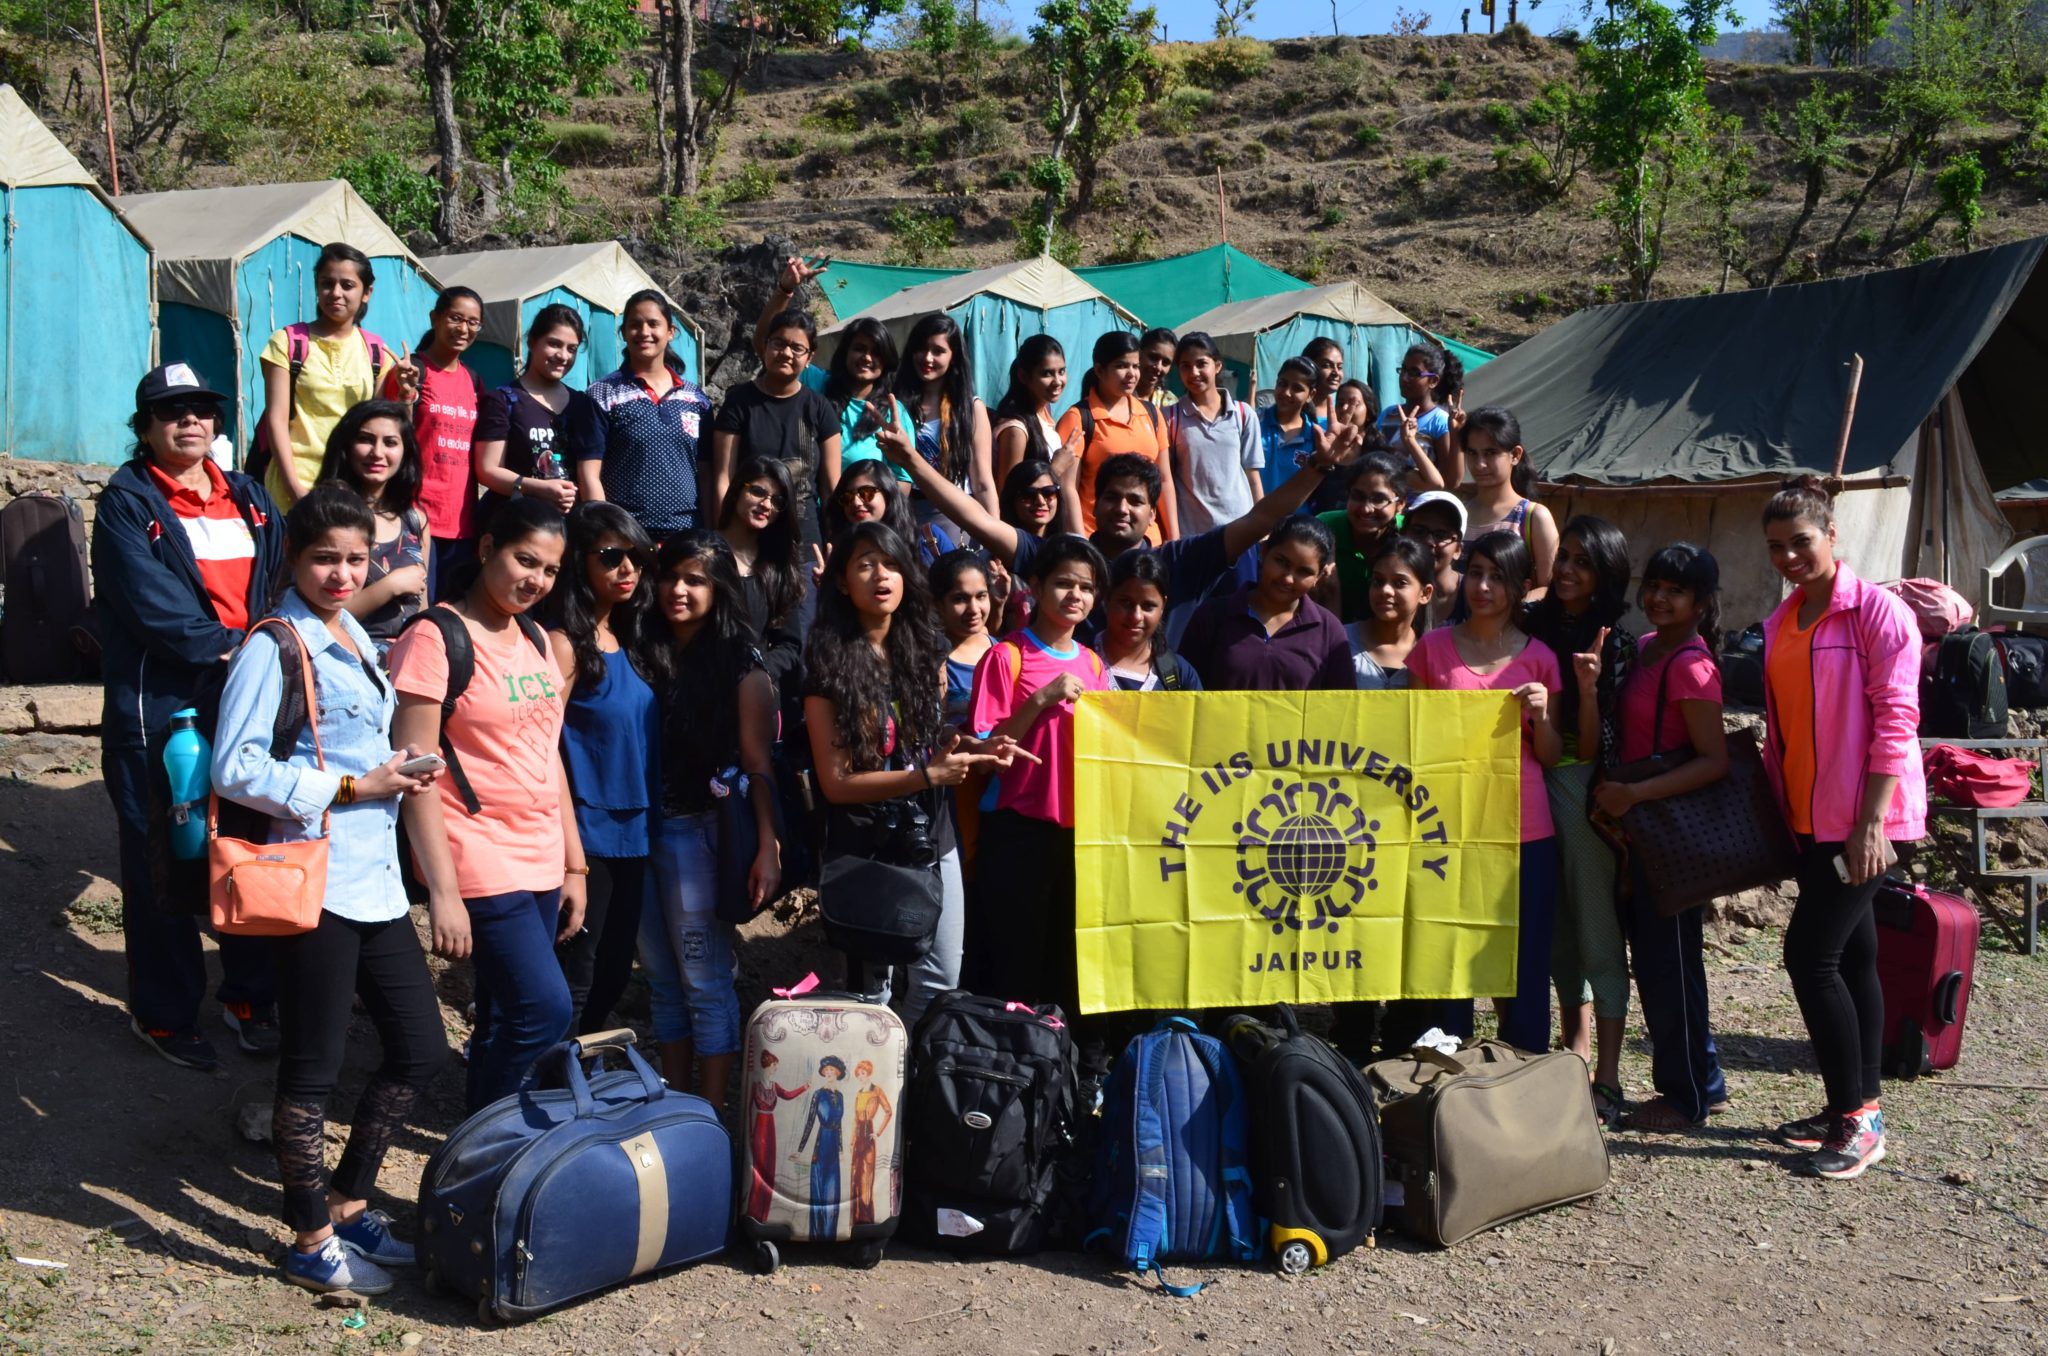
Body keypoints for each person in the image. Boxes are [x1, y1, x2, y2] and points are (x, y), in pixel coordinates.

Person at [209, 484, 443, 1296]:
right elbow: (234, 767)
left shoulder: (351, 634)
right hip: (315, 875)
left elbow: (358, 744)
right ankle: (310, 1239)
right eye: (324, 559)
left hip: (374, 875)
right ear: (294, 560)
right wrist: (350, 787)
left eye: (355, 559)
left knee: (420, 1045)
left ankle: (347, 1202)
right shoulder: (275, 642)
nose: (342, 574)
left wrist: (398, 775)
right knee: (312, 1070)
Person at [95, 362, 286, 1070]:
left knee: (245, 841)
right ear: (144, 427)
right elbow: (150, 606)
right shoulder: (127, 502)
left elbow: (278, 580)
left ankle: (248, 993)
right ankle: (167, 1013)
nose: (191, 421)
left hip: (245, 693)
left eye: (202, 409)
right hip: (165, 705)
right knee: (164, 858)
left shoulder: (247, 499)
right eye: (172, 411)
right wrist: (239, 652)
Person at [388, 497, 586, 1112]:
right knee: (543, 1008)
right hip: (475, 853)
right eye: (525, 560)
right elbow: (414, 771)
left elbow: (547, 754)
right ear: (485, 548)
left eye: (550, 570)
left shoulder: (535, 639)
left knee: (504, 1015)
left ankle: (487, 1147)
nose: (536, 580)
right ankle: (487, 1144)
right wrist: (442, 892)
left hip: (540, 853)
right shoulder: (435, 636)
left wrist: (573, 864)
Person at [1756, 476, 1924, 1179]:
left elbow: (1897, 721)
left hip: (1870, 821)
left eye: (1802, 542)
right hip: (1811, 819)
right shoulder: (1782, 621)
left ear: (1832, 536)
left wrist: (1870, 824)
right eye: (1776, 547)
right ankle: (1858, 1105)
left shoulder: (1877, 614)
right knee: (1852, 957)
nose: (1790, 557)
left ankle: (1855, 1120)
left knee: (1810, 956)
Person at [886, 427, 1364, 652]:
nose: (1122, 508)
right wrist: (913, 462)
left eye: (1136, 501)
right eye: (1112, 497)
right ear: (1096, 499)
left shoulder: (1181, 562)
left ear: (1153, 509)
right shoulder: (1064, 559)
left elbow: (1260, 519)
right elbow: (974, 516)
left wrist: (1319, 469)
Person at [806, 522, 1012, 1025]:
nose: (882, 575)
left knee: (943, 979)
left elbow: (928, 740)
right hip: (869, 844)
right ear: (841, 581)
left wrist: (975, 746)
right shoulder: (827, 667)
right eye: (866, 563)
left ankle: (913, 1093)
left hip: (931, 831)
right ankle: (877, 1099)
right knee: (874, 993)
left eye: (893, 563)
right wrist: (927, 777)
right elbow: (836, 784)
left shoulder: (925, 652)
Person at [1590, 542, 1733, 1133]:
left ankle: (1685, 1097)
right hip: (1640, 832)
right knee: (1661, 961)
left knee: (1669, 966)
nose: (1658, 597)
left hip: (1669, 833)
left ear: (1700, 603)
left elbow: (1715, 761)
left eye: (1675, 590)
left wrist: (1636, 795)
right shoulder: (1647, 648)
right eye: (1654, 585)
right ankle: (1707, 1081)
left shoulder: (1693, 667)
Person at [637, 531, 781, 1104]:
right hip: (637, 832)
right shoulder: (641, 643)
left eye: (695, 579)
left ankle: (713, 1120)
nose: (678, 589)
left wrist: (768, 844)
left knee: (705, 983)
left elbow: (758, 762)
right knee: (663, 985)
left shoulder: (739, 665)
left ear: (718, 588)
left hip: (696, 833)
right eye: (671, 576)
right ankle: (678, 1111)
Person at [1405, 532, 1563, 1054]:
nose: (1483, 586)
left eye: (1497, 576)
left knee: (1525, 959)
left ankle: (1525, 1073)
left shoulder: (1541, 659)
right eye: (1475, 572)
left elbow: (1551, 755)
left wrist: (1541, 717)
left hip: (1525, 829)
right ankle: (1446, 1083)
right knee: (1451, 952)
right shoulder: (1431, 650)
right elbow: (1413, 738)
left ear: (1521, 587)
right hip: (1449, 827)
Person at [968, 535, 1115, 1080]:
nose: (1075, 595)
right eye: (1063, 583)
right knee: (1014, 964)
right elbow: (985, 750)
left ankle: (1065, 1084)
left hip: (1079, 839)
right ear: (1034, 588)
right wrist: (1041, 698)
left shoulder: (1095, 663)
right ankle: (1009, 1078)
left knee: (1067, 966)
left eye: (1085, 587)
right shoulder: (1005, 656)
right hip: (1018, 833)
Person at [1521, 516, 1636, 1124]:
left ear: (1606, 573)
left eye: (1583, 563)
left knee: (1594, 927)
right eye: (1563, 557)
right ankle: (1576, 1049)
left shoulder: (1614, 639)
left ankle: (1610, 1078)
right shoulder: (1533, 622)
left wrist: (1588, 689)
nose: (1566, 570)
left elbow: (1594, 746)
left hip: (1581, 789)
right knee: (1559, 928)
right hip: (1528, 782)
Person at [548, 503, 661, 1036]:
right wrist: (571, 857)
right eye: (612, 556)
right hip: (586, 830)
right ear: (579, 563)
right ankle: (538, 1092)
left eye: (636, 557)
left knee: (614, 974)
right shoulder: (564, 644)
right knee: (578, 972)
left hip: (634, 830)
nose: (627, 569)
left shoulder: (633, 641)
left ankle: (571, 1080)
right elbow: (541, 744)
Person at [257, 242, 420, 509]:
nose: (335, 293)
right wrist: (295, 489)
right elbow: (276, 420)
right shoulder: (287, 342)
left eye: (347, 285)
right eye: (326, 283)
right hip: (293, 489)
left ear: (366, 292)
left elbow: (381, 427)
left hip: (351, 492)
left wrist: (405, 394)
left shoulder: (376, 351)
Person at [582, 291, 715, 542]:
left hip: (687, 535)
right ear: (623, 333)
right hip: (626, 536)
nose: (644, 332)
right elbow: (589, 473)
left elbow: (706, 474)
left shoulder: (697, 399)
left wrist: (708, 535)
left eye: (653, 324)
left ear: (671, 332)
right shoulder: (602, 394)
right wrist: (606, 535)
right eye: (635, 325)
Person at [708, 308, 841, 549]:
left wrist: (836, 543)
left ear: (810, 357)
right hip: (747, 538)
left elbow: (831, 487)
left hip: (805, 540)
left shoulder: (820, 408)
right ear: (766, 345)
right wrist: (723, 539)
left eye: (797, 348)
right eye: (778, 343)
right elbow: (723, 478)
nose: (786, 353)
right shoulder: (739, 401)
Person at [1179, 516, 1353, 691]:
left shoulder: (1330, 631)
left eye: (1304, 572)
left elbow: (1340, 707)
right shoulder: (1213, 616)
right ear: (1263, 552)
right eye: (1281, 562)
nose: (1287, 578)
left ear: (1319, 577)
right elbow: (1184, 693)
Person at [315, 400, 429, 658]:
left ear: (405, 451)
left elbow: (421, 607)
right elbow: (317, 615)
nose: (377, 452)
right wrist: (390, 586)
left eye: (390, 442)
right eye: (366, 440)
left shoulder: (414, 521)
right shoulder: (327, 513)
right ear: (347, 446)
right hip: (344, 658)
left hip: (408, 661)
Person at [473, 305, 593, 522]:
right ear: (531, 342)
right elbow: (487, 470)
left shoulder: (583, 405)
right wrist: (537, 488)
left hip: (571, 531)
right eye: (554, 344)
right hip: (517, 526)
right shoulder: (503, 400)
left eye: (572, 348)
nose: (563, 356)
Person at [1060, 332, 1177, 542]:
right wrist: (1081, 544)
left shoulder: (1152, 415)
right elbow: (1069, 488)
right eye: (1121, 366)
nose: (1131, 374)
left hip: (1149, 543)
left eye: (1135, 366)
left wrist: (1174, 539)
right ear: (1099, 370)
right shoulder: (1078, 418)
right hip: (1097, 541)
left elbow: (1165, 480)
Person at [718, 455, 813, 712]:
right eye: (758, 492)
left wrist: (757, 673)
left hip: (756, 699)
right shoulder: (703, 553)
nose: (766, 504)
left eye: (777, 501)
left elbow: (789, 645)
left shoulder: (779, 565)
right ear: (737, 490)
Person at [409, 286, 485, 599]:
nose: (463, 329)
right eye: (455, 318)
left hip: (462, 525)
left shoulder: (474, 380)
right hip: (417, 518)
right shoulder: (413, 372)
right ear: (435, 318)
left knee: (452, 615)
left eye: (473, 323)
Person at [893, 312, 997, 521]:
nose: (927, 358)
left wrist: (997, 541)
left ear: (954, 356)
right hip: (904, 515)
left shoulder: (971, 407)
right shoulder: (896, 404)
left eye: (938, 351)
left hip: (957, 516)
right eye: (921, 349)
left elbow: (982, 482)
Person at [796, 315, 913, 485]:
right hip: (809, 508)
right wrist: (785, 291)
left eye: (876, 353)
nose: (867, 357)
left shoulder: (894, 412)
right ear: (845, 352)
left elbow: (902, 479)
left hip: (862, 509)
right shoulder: (818, 384)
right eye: (859, 348)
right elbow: (767, 347)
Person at [1167, 331, 1262, 537]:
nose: (1194, 372)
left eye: (1201, 364)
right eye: (1185, 366)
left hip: (1240, 531)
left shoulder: (1244, 415)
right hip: (1193, 535)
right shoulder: (1170, 418)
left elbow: (1252, 476)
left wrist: (1262, 529)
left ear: (1217, 365)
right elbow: (1166, 480)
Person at [1463, 405, 1559, 595]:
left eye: (1490, 453)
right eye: (1472, 453)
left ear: (1515, 455)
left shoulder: (1534, 517)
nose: (1480, 464)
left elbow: (1549, 588)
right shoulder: (1458, 514)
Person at [1317, 451, 1411, 624]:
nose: (1366, 509)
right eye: (1358, 496)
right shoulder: (1326, 527)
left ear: (1401, 503)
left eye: (1379, 499)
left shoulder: (1409, 533)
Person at [1100, 551, 1202, 691]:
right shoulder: (1076, 660)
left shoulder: (1180, 674)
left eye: (1148, 606)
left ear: (1163, 606)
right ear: (1107, 599)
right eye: (1126, 603)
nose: (1136, 616)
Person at [1346, 536, 1435, 690]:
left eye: (1400, 583)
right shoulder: (1340, 642)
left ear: (1425, 594)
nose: (1385, 590)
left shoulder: (1432, 653)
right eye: (1378, 581)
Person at [992, 335, 1078, 483]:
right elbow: (1007, 494)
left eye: (1062, 371)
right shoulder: (1016, 429)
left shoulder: (1043, 412)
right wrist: (1056, 468)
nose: (1057, 381)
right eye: (1047, 373)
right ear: (1024, 376)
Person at [1376, 339, 1462, 487]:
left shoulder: (1440, 421)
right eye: (1403, 369)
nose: (1404, 378)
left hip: (1421, 505)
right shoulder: (1389, 414)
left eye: (1414, 373)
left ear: (1433, 381)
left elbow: (1450, 481)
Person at [1257, 356, 1322, 500]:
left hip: (1296, 521)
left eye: (1297, 388)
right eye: (1282, 384)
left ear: (1311, 395)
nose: (1286, 392)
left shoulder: (1316, 437)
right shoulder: (1253, 422)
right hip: (1251, 518)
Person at [1402, 490, 1467, 630]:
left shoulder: (1474, 594)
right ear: (1403, 536)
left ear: (1458, 550)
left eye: (1441, 534)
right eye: (1419, 531)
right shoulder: (1387, 589)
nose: (1429, 541)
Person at [849, 1058, 894, 1227]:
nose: (860, 1077)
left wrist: (879, 1132)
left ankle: (866, 1219)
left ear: (868, 1074)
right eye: (858, 1074)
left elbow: (888, 1112)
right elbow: (855, 1118)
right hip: (858, 1138)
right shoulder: (859, 1093)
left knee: (866, 1177)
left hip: (869, 1137)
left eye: (863, 1073)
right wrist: (852, 1139)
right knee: (855, 1175)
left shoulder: (877, 1091)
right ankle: (855, 1217)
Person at [1303, 336, 1345, 429]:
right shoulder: (1295, 410)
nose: (1336, 372)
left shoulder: (1342, 411)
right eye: (1326, 365)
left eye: (1339, 367)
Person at [1135, 327, 1180, 409]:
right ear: (1139, 354)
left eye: (1165, 362)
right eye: (1153, 357)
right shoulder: (1118, 394)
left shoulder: (1171, 405)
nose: (1158, 367)